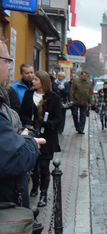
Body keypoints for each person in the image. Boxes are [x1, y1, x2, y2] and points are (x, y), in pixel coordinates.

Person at [0, 40, 44, 208]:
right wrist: (29, 142)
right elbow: (12, 156)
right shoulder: (17, 91)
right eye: (7, 61)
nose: (9, 67)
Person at [19, 71, 63, 207]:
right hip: (32, 134)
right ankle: (35, 185)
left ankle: (43, 193)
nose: (33, 81)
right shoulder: (28, 94)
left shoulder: (54, 97)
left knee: (44, 166)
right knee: (34, 164)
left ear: (43, 82)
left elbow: (58, 118)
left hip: (48, 136)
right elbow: (23, 113)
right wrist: (29, 123)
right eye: (33, 79)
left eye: (36, 79)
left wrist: (47, 124)